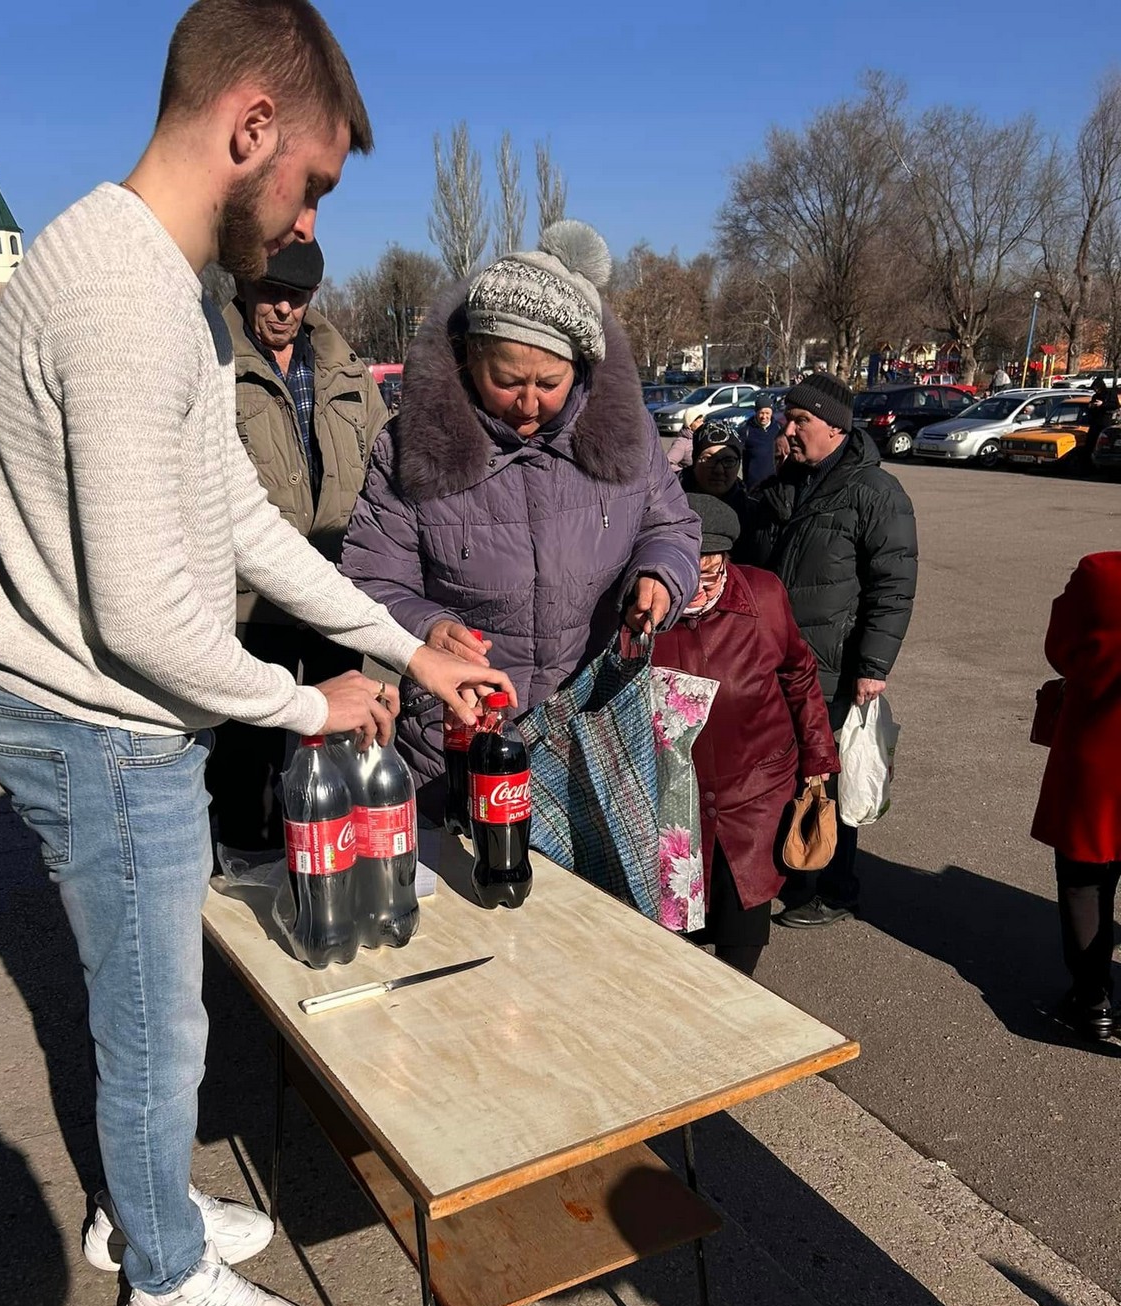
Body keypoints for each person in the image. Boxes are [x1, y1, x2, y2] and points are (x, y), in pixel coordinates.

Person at [0, 0, 513, 1306]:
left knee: (152, 1011)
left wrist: (402, 650)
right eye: (314, 185)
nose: (304, 221)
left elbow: (245, 528)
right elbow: (151, 615)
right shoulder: (122, 295)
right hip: (104, 733)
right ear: (251, 125)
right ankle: (163, 1280)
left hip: (107, 724)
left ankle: (141, 1213)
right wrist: (304, 705)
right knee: (157, 1023)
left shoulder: (149, 285)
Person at [341, 219, 702, 811]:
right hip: (456, 739)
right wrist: (428, 628)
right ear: (469, 360)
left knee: (582, 905)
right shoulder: (411, 448)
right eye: (507, 381)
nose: (529, 402)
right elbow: (370, 579)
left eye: (549, 382)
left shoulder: (625, 434)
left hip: (591, 733)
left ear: (580, 367)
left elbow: (670, 526)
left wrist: (661, 577)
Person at [207, 237, 388, 851]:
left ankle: (338, 865)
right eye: (271, 294)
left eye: (298, 297)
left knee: (346, 745)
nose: (284, 309)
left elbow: (386, 457)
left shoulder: (343, 364)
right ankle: (246, 882)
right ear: (244, 286)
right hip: (249, 602)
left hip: (335, 592)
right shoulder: (210, 357)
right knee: (248, 761)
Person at [738, 372, 917, 929]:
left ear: (835, 428)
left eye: (800, 421)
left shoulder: (876, 493)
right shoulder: (783, 483)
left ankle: (835, 890)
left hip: (833, 667)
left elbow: (894, 585)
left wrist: (873, 667)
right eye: (788, 419)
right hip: (773, 661)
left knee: (829, 777)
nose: (789, 430)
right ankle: (791, 870)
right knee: (780, 770)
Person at [653, 496, 836, 975]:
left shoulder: (764, 593)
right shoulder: (643, 608)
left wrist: (819, 759)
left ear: (726, 560)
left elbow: (799, 674)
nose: (693, 586)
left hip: (755, 798)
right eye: (681, 573)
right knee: (675, 945)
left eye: (707, 571)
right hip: (672, 808)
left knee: (742, 940)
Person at [1031, 553, 1121, 1044]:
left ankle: (1093, 1001)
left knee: (1085, 877)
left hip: (1100, 751)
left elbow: (1062, 648)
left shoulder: (1101, 573)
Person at [741, 396, 782, 490]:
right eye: (761, 413)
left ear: (772, 413)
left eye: (767, 413)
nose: (764, 417)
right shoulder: (746, 431)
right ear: (756, 412)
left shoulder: (778, 428)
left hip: (774, 484)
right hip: (753, 485)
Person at [1083, 377, 1119, 462]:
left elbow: (1115, 405)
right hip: (1095, 423)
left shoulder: (1110, 394)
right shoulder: (1095, 396)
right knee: (1090, 443)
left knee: (1104, 444)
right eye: (1095, 388)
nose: (1096, 390)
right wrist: (1091, 406)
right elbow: (1090, 409)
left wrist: (1102, 404)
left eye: (1097, 388)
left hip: (1106, 422)